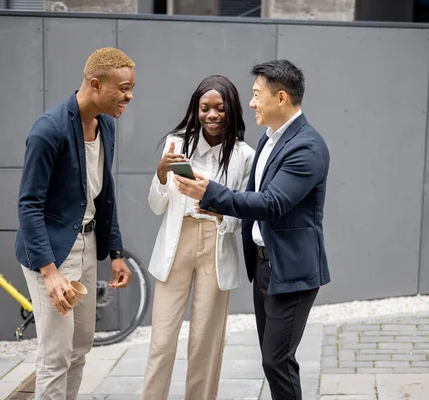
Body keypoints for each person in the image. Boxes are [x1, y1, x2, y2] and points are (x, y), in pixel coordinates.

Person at [174, 60, 330, 400]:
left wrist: (210, 193)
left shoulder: (307, 147)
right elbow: (254, 195)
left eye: (257, 94)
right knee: (272, 360)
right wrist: (213, 204)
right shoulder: (270, 139)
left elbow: (272, 203)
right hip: (264, 266)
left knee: (277, 361)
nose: (251, 103)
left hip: (291, 270)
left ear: (282, 98)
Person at [15, 47, 135, 400]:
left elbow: (104, 194)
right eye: (124, 88)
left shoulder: (106, 126)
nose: (129, 96)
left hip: (87, 245)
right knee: (55, 355)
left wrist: (115, 251)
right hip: (51, 253)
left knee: (81, 347)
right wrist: (50, 273)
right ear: (95, 84)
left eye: (132, 88)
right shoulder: (48, 130)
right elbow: (28, 205)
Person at [141, 75, 255, 400]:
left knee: (205, 342)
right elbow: (156, 205)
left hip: (216, 244)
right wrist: (161, 174)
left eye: (220, 108)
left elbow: (244, 211)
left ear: (231, 110)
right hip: (176, 243)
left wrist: (219, 210)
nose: (212, 115)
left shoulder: (245, 155)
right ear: (196, 109)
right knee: (162, 340)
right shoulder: (176, 144)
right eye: (205, 108)